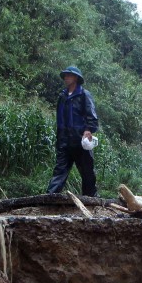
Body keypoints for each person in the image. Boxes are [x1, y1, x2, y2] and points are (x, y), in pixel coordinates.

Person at [46, 65, 99, 197]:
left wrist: (88, 130)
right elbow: (60, 119)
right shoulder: (62, 97)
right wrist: (59, 139)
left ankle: (91, 199)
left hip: (80, 140)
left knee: (87, 171)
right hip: (64, 140)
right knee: (60, 169)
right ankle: (49, 197)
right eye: (65, 75)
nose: (66, 78)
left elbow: (91, 116)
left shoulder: (84, 95)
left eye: (69, 75)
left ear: (76, 78)